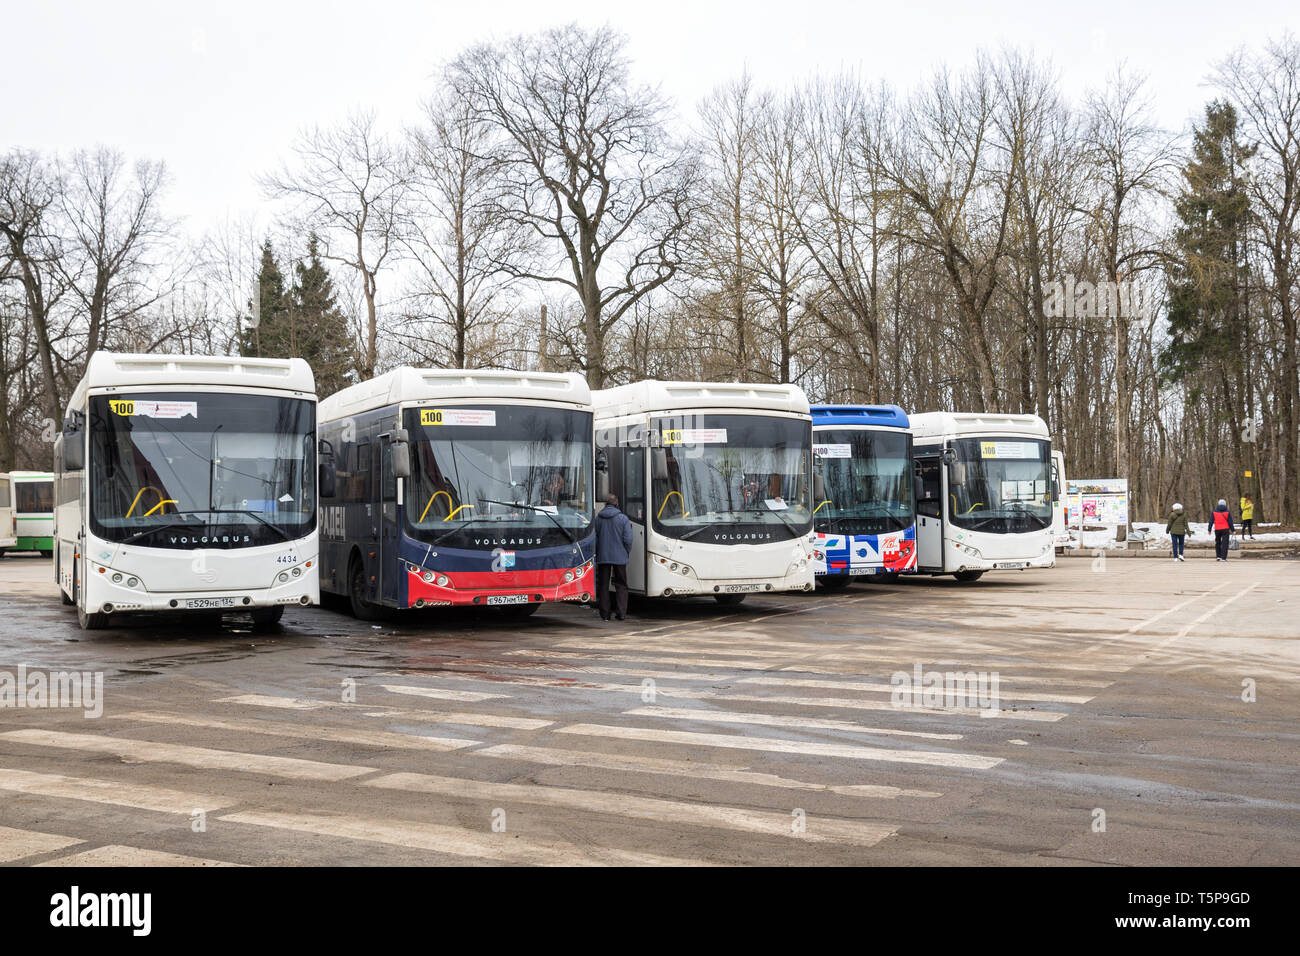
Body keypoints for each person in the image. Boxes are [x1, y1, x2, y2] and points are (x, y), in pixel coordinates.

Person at [594, 493, 634, 621]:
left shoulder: (598, 519)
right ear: (617, 504)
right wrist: (626, 552)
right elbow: (628, 539)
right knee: (621, 584)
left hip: (603, 557)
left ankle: (605, 614)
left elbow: (594, 538)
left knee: (603, 585)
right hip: (620, 557)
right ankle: (621, 613)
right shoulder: (623, 519)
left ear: (605, 504)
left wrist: (597, 552)